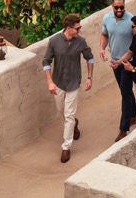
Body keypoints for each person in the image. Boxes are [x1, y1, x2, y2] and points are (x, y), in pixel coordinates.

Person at [42, 13, 94, 163]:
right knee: (62, 112)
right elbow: (46, 61)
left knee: (69, 115)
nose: (79, 30)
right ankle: (74, 124)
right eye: (77, 28)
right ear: (68, 28)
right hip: (58, 83)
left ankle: (66, 147)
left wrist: (89, 77)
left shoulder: (81, 42)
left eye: (80, 27)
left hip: (73, 83)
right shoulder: (54, 41)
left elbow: (90, 57)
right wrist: (50, 82)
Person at [99, 0, 135, 141]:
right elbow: (104, 35)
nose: (119, 10)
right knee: (125, 90)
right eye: (117, 7)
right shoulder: (107, 18)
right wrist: (102, 49)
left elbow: (135, 45)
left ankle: (123, 129)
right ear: (112, 6)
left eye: (122, 7)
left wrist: (123, 60)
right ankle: (133, 115)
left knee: (125, 94)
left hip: (127, 63)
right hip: (114, 62)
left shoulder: (131, 20)